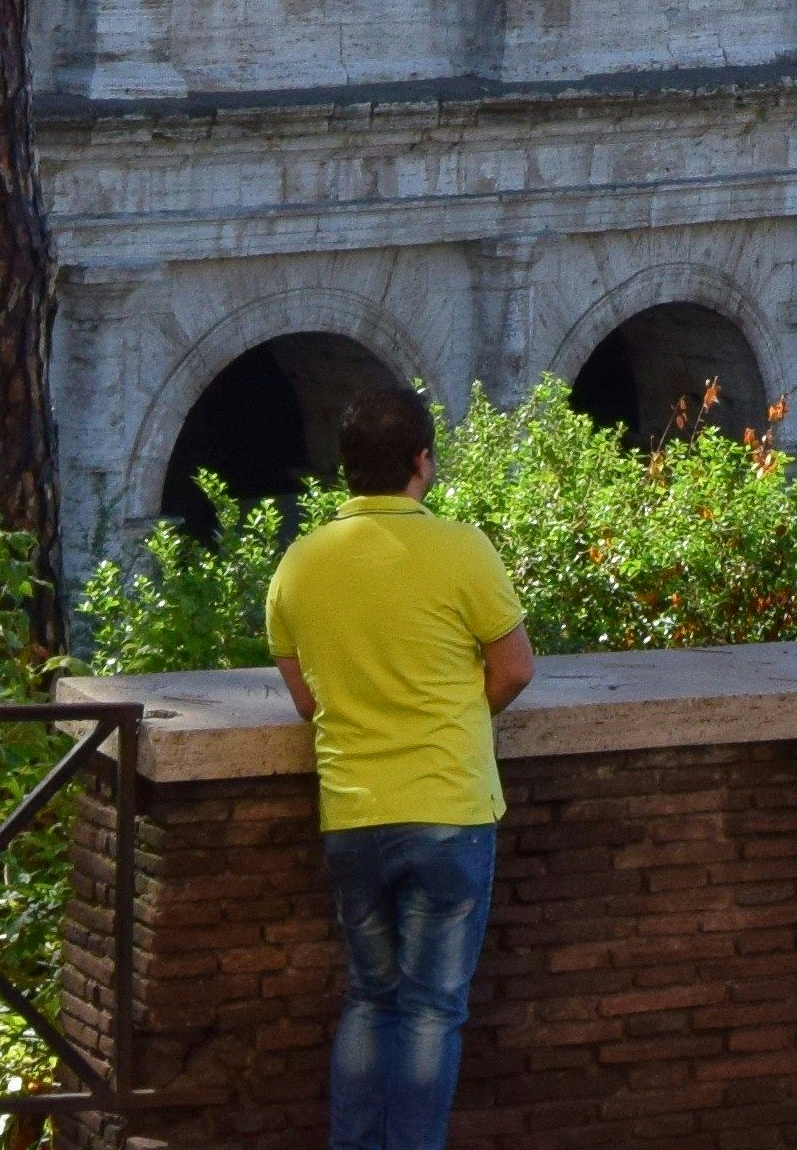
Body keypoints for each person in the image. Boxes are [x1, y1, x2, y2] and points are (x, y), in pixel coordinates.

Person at [262, 388, 538, 1150]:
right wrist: (462, 715)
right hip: (449, 806)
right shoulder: (463, 548)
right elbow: (515, 668)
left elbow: (306, 701)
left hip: (353, 810)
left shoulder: (299, 564)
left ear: (345, 468)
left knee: (368, 998)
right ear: (423, 461)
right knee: (430, 1010)